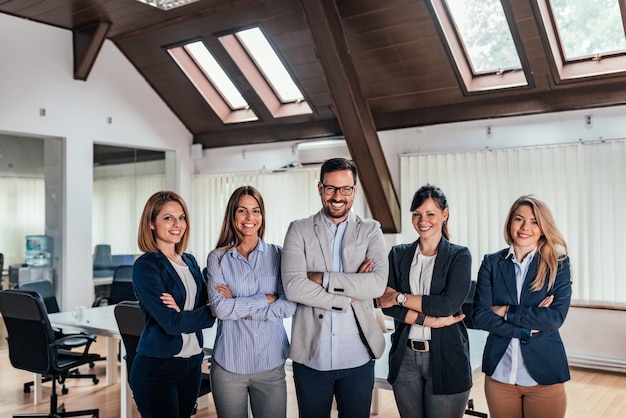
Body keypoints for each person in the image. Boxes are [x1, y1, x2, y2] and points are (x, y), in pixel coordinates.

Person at [281, 157, 388, 418]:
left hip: (358, 359)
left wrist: (323, 278)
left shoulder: (371, 230)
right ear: (320, 189)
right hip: (311, 358)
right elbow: (294, 286)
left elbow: (376, 284)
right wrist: (348, 294)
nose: (337, 196)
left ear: (355, 190)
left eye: (345, 189)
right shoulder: (299, 230)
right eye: (330, 188)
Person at [472, 195, 572, 418]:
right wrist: (527, 327)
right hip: (500, 376)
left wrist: (505, 311)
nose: (525, 227)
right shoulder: (492, 262)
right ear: (510, 223)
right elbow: (480, 316)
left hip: (544, 375)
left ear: (543, 227)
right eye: (519, 219)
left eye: (534, 221)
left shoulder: (559, 264)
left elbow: (554, 318)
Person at [377, 184, 472, 418]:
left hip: (447, 357)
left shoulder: (459, 256)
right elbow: (384, 305)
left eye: (430, 213)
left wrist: (400, 297)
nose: (423, 220)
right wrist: (427, 320)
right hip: (405, 357)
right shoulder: (398, 255)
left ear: (444, 215)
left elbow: (447, 305)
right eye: (417, 214)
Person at [206, 185, 297, 418]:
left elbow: (289, 305)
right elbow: (220, 308)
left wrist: (237, 303)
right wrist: (266, 299)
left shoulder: (279, 255)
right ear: (232, 215)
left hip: (271, 363)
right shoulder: (218, 258)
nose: (250, 218)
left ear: (262, 215)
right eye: (242, 211)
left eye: (256, 211)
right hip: (229, 365)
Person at [130, 190, 216, 418]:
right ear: (151, 223)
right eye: (168, 218)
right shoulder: (146, 266)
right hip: (158, 368)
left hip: (192, 364)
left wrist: (198, 312)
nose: (177, 224)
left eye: (182, 217)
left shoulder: (189, 260)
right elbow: (172, 323)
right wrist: (204, 311)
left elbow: (212, 309)